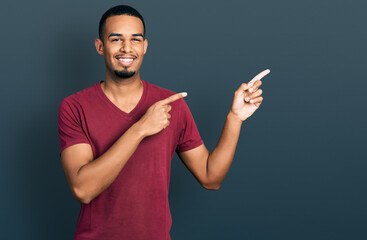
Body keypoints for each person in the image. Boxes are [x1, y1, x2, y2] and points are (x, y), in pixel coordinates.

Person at [58, 5, 269, 240]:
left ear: (145, 46)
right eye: (116, 39)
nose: (127, 48)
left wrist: (235, 118)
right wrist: (140, 128)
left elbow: (211, 177)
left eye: (135, 40)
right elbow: (83, 189)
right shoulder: (74, 107)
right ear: (100, 46)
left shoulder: (172, 105)